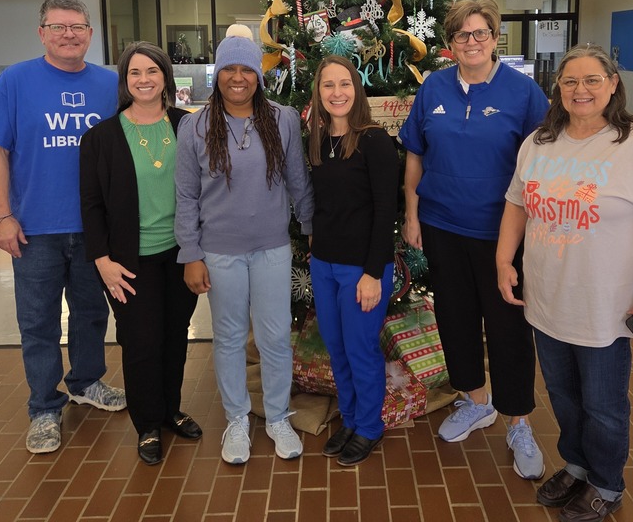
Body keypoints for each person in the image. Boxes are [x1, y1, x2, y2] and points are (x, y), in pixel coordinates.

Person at [496, 43, 633, 522]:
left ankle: (606, 482)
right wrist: (504, 260)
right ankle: (578, 465)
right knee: (563, 396)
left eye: (591, 81)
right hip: (547, 299)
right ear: (557, 88)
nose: (580, 90)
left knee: (603, 405)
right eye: (569, 82)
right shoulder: (541, 142)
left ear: (612, 85)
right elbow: (517, 203)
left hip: (605, 305)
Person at [398, 0, 549, 480]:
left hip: (502, 235)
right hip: (443, 227)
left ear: (495, 38)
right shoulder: (434, 88)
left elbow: (542, 165)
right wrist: (413, 214)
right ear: (450, 43)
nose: (472, 42)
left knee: (508, 329)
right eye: (462, 35)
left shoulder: (524, 94)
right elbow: (416, 156)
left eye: (480, 33)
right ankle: (474, 401)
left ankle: (519, 420)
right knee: (456, 320)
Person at [0, 0, 125, 455]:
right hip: (34, 228)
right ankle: (43, 406)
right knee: (37, 321)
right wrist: (1, 216)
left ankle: (85, 381)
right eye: (58, 27)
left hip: (94, 229)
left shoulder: (111, 84)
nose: (69, 34)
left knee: (91, 313)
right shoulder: (15, 81)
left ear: (90, 35)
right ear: (42, 33)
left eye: (77, 26)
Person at [176, 25, 314, 465]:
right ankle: (237, 419)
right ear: (217, 74)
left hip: (272, 248)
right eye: (229, 69)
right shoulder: (195, 127)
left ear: (258, 74)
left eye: (247, 69)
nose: (238, 77)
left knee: (274, 338)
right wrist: (191, 253)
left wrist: (312, 228)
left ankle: (276, 416)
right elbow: (186, 196)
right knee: (231, 338)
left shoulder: (283, 119)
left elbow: (298, 182)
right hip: (219, 252)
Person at [79, 42, 201, 466]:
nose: (144, 79)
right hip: (127, 262)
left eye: (152, 71)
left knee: (175, 337)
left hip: (180, 254)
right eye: (135, 73)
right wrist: (102, 261)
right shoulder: (101, 137)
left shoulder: (187, 127)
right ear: (124, 81)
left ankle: (169, 410)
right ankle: (147, 423)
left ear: (166, 77)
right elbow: (91, 204)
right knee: (141, 342)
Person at [306, 56, 399, 467]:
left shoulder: (375, 140)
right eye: (329, 85)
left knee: (361, 350)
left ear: (357, 89)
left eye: (345, 84)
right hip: (323, 264)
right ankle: (350, 417)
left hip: (362, 268)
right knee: (337, 348)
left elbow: (386, 211)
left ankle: (368, 426)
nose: (337, 93)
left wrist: (372, 273)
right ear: (319, 92)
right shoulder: (319, 138)